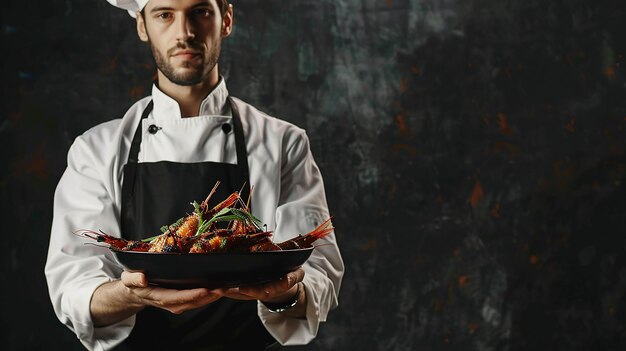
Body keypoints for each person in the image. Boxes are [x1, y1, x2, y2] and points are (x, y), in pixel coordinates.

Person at [44, 0, 344, 349]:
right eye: (164, 14)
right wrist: (132, 295)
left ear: (226, 20)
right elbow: (73, 289)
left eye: (200, 11)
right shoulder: (96, 149)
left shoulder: (283, 143)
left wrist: (285, 293)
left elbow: (320, 275)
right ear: (142, 26)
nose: (184, 32)